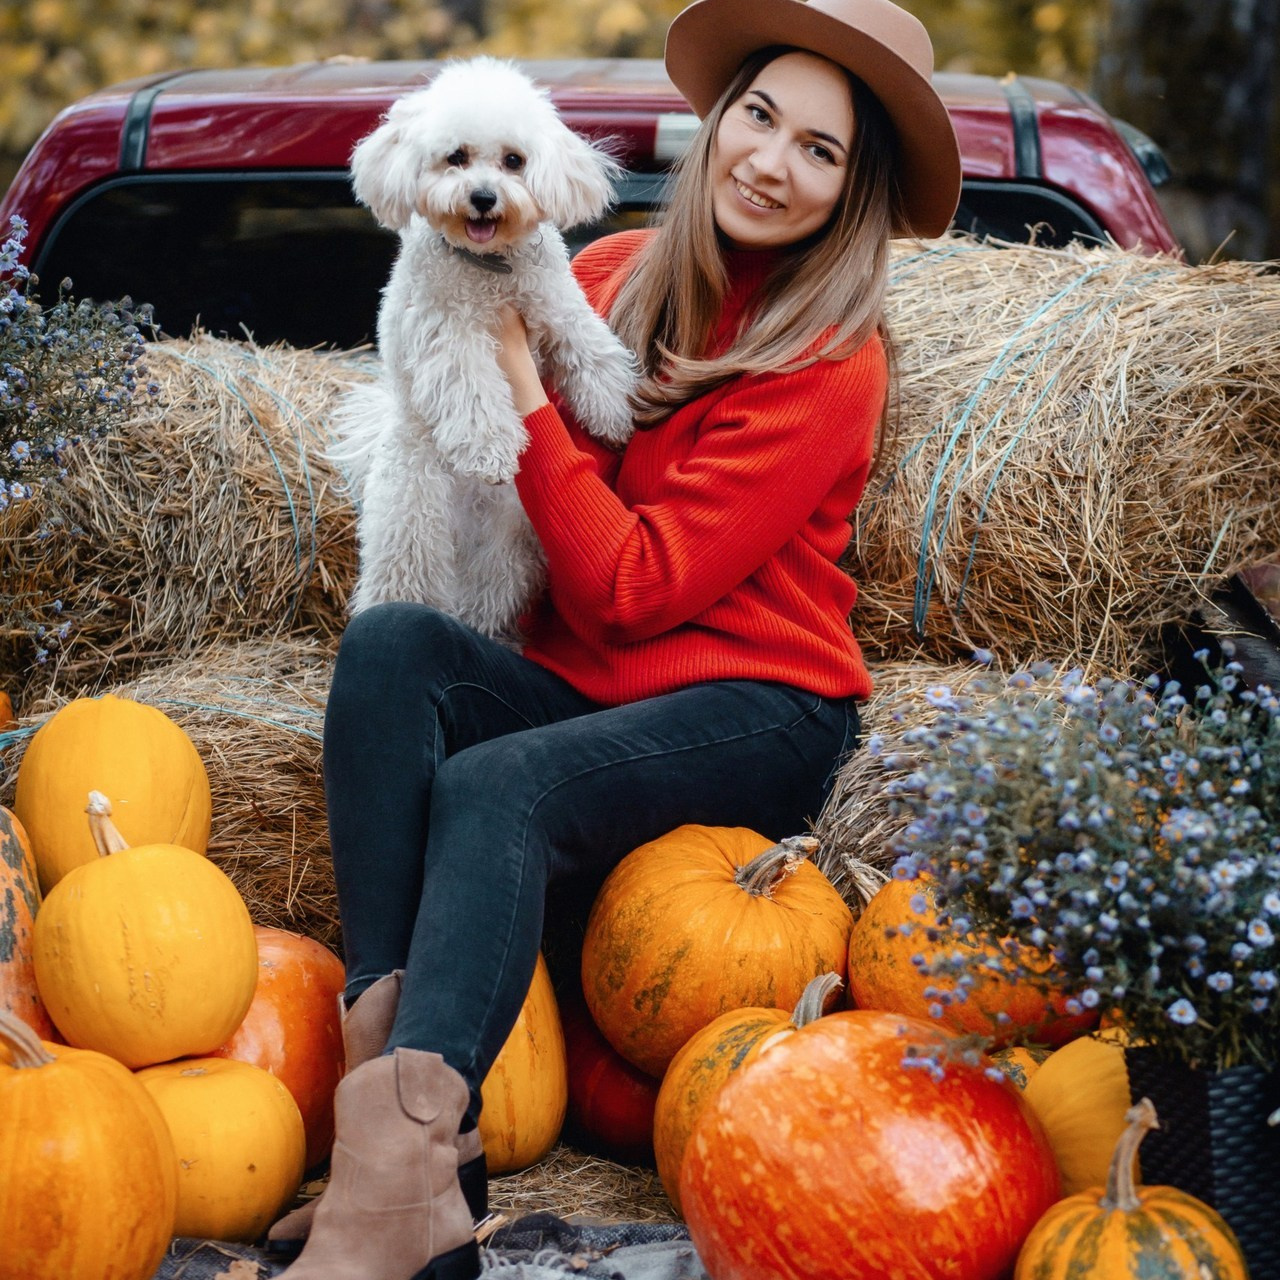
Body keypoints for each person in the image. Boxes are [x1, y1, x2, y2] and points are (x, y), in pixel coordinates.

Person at [279, 0, 961, 1276]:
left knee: (498, 779)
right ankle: (396, 1162)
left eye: (819, 148)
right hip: (589, 685)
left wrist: (523, 385)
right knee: (390, 650)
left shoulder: (828, 359)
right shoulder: (601, 272)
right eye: (759, 116)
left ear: (852, 188)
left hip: (757, 700)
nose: (770, 159)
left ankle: (393, 1181)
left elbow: (633, 586)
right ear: (716, 125)